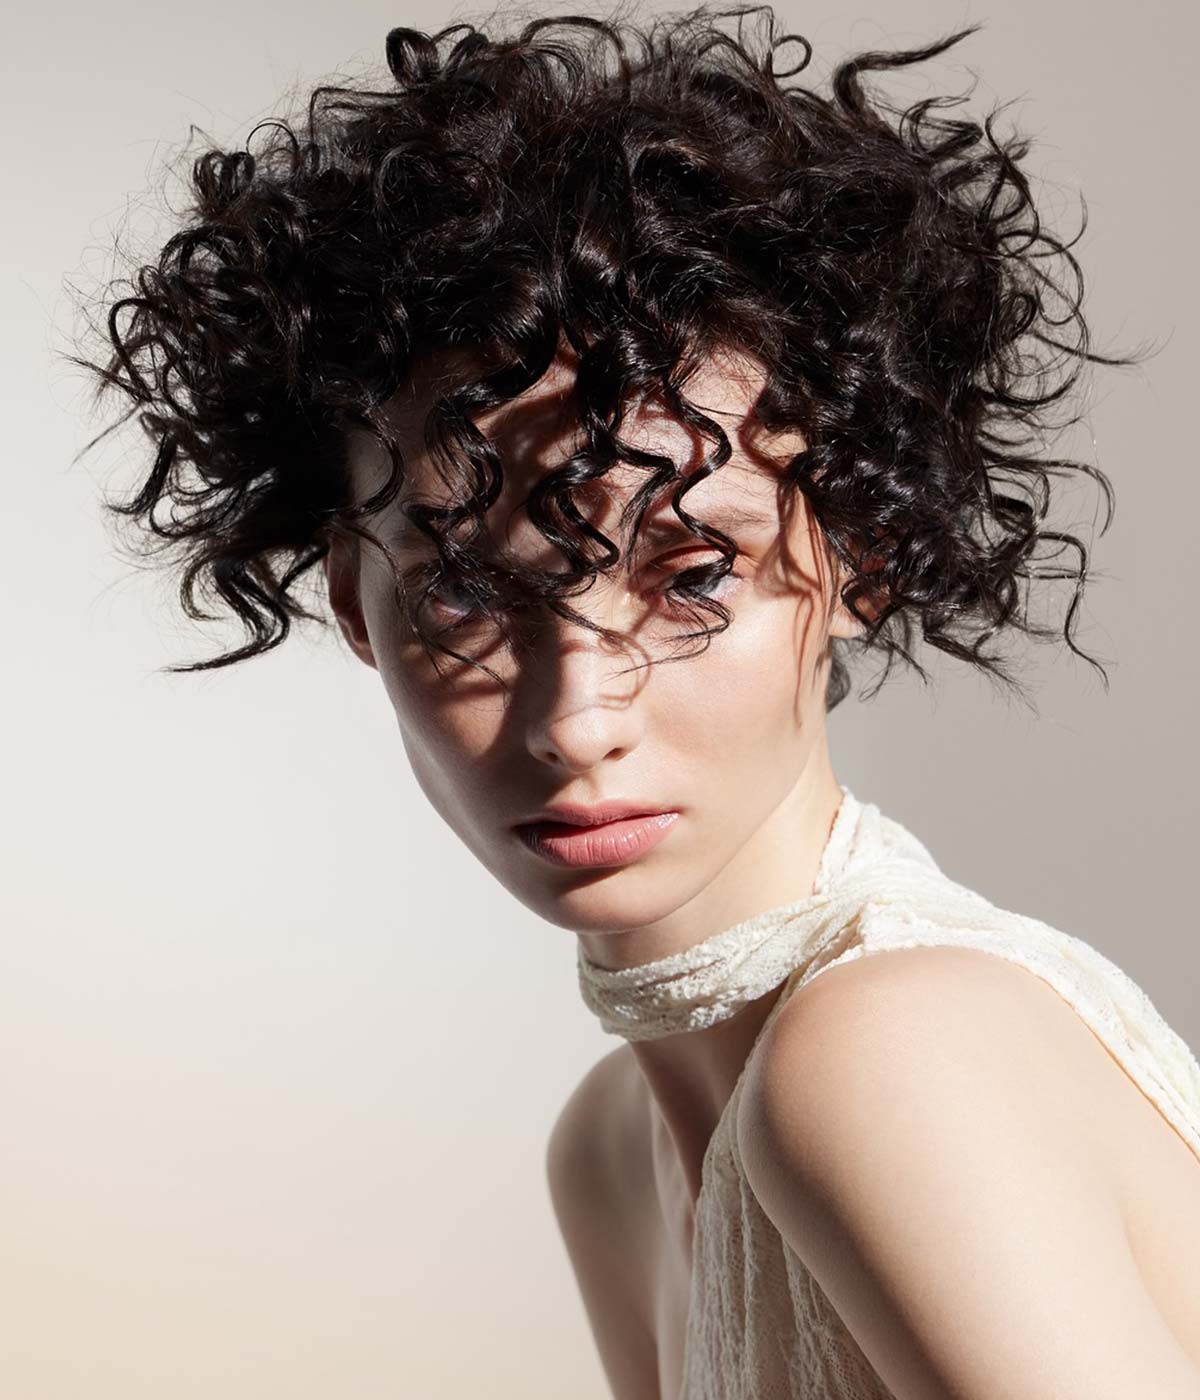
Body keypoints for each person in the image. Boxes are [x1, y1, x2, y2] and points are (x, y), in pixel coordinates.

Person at [74, 5, 1200, 1396]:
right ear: (353, 605)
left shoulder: (893, 1053)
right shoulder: (611, 1152)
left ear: (864, 561)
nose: (574, 719)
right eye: (467, 594)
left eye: (693, 577)